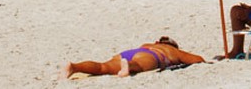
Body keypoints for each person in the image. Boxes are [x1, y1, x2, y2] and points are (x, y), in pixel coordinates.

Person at [64, 37, 205, 77]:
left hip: (130, 52)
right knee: (137, 65)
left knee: (103, 67)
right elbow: (198, 59)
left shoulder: (147, 43)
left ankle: (75, 67)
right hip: (152, 56)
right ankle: (129, 66)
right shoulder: (171, 51)